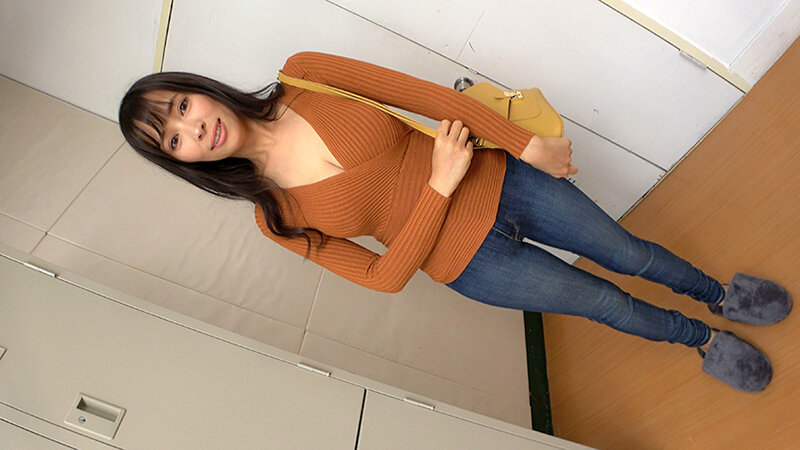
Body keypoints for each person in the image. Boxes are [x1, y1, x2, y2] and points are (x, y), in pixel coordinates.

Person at [119, 51, 790, 392]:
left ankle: (719, 293)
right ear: (181, 163)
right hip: (473, 266)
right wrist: (438, 187)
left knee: (630, 253)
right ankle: (703, 339)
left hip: (507, 181)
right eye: (172, 140)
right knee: (605, 303)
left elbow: (425, 96)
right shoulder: (275, 219)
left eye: (180, 106)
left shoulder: (305, 74)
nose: (191, 128)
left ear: (196, 89)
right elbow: (383, 277)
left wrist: (525, 145)